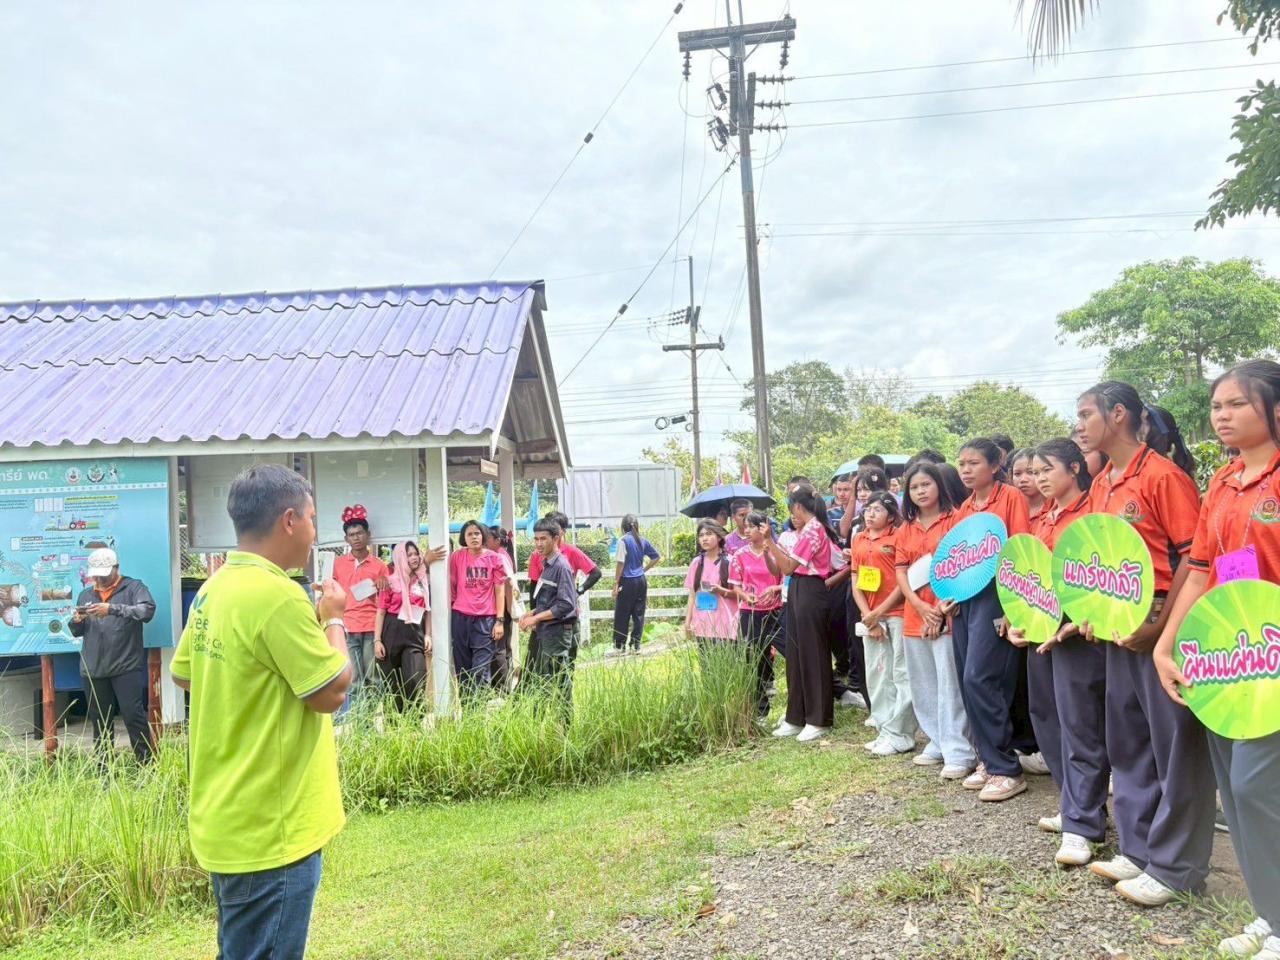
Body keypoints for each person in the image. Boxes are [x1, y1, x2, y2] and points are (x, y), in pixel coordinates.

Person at [171, 464, 351, 960]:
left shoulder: (214, 589)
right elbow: (332, 690)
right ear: (289, 520)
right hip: (272, 828)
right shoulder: (277, 596)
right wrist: (334, 621)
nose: (314, 533)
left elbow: (186, 674)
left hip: (228, 816)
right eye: (312, 519)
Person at [1155, 360, 1280, 958]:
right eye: (1215, 406)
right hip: (1226, 654)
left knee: (1258, 785)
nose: (1221, 416)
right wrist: (1167, 643)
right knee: (1233, 785)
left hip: (1271, 654)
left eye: (1236, 404)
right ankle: (1269, 911)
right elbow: (1202, 570)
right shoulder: (1224, 481)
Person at [1073, 380, 1213, 907]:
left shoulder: (1163, 477)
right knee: (1128, 738)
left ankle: (1178, 866)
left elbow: (1193, 559)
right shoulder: (1102, 483)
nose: (1079, 426)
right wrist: (1091, 610)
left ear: (1118, 414)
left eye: (1086, 414)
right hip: (1117, 622)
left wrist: (1160, 628)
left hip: (1161, 621)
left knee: (1174, 745)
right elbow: (1096, 555)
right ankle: (1139, 848)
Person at [1024, 438, 1106, 868]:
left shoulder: (1093, 513)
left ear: (1075, 469)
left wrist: (1074, 621)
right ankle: (1074, 802)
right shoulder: (1043, 517)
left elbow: (1100, 574)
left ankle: (1084, 824)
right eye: (1034, 472)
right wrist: (1020, 620)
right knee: (1047, 716)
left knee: (1080, 726)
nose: (1039, 479)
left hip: (1078, 635)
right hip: (1042, 632)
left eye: (1047, 470)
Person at [947, 437, 1033, 802]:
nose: (966, 470)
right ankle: (988, 758)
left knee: (982, 677)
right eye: (962, 464)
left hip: (998, 596)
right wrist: (949, 595)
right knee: (967, 680)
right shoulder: (965, 508)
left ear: (995, 465)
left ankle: (1006, 768)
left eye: (974, 463)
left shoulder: (1010, 498)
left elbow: (1020, 551)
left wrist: (1013, 608)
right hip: (966, 600)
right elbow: (955, 559)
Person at [895, 461, 975, 780]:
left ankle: (959, 750)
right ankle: (937, 740)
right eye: (914, 487)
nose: (920, 491)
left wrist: (939, 611)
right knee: (923, 682)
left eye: (926, 484)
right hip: (915, 614)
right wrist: (918, 606)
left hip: (948, 612)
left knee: (949, 683)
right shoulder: (906, 528)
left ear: (939, 485)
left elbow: (965, 565)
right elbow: (901, 571)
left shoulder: (956, 519)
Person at [68, 547, 156, 764]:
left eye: (104, 574)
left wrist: (112, 609)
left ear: (116, 568)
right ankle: (104, 770)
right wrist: (76, 621)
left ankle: (148, 765)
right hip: (93, 668)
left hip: (126, 666)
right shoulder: (86, 594)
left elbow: (146, 611)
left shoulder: (134, 587)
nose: (99, 579)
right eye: (96, 575)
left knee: (133, 716)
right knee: (100, 722)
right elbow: (77, 632)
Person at [766, 487, 839, 742]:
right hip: (797, 588)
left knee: (813, 654)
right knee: (796, 654)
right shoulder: (809, 529)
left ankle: (818, 719)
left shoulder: (813, 529)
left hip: (810, 589)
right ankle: (796, 716)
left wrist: (769, 542)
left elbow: (787, 567)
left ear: (797, 507)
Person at [851, 491, 918, 756]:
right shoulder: (859, 538)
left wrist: (879, 612)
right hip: (870, 616)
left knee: (901, 673)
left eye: (877, 509)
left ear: (891, 515)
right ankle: (884, 729)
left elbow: (903, 581)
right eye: (868, 508)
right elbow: (856, 580)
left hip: (897, 612)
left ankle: (901, 733)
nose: (870, 513)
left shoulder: (899, 536)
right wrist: (869, 615)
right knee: (877, 674)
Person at [519, 518, 580, 712]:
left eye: (543, 539)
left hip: (558, 633)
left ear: (556, 538)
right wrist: (532, 612)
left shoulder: (561, 566)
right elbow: (550, 600)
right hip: (546, 633)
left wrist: (536, 618)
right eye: (536, 539)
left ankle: (565, 725)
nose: (539, 544)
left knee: (560, 683)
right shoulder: (547, 564)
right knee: (544, 682)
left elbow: (566, 604)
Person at [729, 510, 783, 719]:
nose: (747, 530)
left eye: (751, 526)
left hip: (775, 609)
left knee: (784, 651)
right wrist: (745, 596)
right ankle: (761, 707)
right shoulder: (740, 555)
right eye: (746, 526)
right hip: (749, 611)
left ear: (763, 528)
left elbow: (785, 579)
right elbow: (736, 585)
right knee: (753, 655)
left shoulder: (776, 550)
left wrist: (775, 589)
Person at [331, 505, 389, 698]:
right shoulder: (338, 564)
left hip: (372, 627)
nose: (356, 538)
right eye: (351, 535)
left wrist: (384, 583)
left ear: (368, 535)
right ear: (346, 539)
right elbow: (331, 592)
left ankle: (373, 716)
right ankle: (359, 717)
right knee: (354, 679)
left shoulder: (379, 566)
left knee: (373, 677)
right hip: (348, 627)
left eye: (359, 533)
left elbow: (386, 599)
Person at [448, 520, 507, 692]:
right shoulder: (457, 557)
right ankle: (467, 706)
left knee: (480, 669)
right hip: (460, 618)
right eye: (469, 534)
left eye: (477, 533)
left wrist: (499, 621)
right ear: (463, 538)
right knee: (462, 667)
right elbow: (452, 584)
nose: (474, 537)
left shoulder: (494, 558)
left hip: (485, 619)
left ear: (483, 536)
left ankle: (479, 705)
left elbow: (500, 591)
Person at [373, 541, 431, 713]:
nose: (414, 558)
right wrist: (377, 640)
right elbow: (381, 612)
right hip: (392, 631)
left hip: (415, 632)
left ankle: (415, 718)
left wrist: (428, 635)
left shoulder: (423, 580)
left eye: (416, 554)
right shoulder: (390, 582)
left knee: (415, 678)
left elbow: (428, 610)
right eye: (409, 555)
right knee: (392, 683)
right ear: (400, 558)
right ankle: (395, 722)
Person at [682, 521, 739, 646]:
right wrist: (687, 622)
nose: (704, 538)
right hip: (702, 624)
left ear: (719, 537)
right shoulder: (696, 563)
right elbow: (692, 594)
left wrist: (720, 591)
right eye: (701, 535)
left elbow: (740, 594)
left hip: (726, 625)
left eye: (709, 534)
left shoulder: (730, 562)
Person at [611, 514, 661, 655]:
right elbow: (656, 557)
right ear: (636, 526)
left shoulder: (623, 541)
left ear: (623, 527)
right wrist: (643, 569)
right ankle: (636, 645)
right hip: (641, 580)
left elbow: (620, 563)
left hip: (627, 581)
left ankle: (619, 646)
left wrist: (616, 583)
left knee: (622, 614)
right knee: (638, 614)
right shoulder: (642, 540)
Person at [485, 526, 517, 690]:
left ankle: (501, 687)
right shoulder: (504, 554)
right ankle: (505, 683)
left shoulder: (499, 556)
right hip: (504, 606)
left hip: (502, 606)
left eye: (488, 538)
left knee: (498, 648)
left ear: (497, 540)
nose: (485, 542)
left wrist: (508, 610)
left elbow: (508, 585)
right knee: (504, 647)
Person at [1010, 448, 1047, 523]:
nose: (1023, 479)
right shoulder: (1009, 509)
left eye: (1030, 472)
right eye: (1017, 474)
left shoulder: (1056, 508)